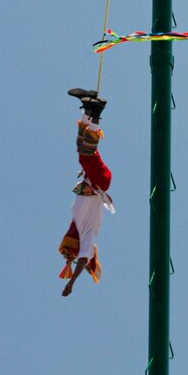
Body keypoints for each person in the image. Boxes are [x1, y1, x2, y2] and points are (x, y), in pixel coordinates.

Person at [59, 89, 115, 297]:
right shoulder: (87, 235)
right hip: (101, 183)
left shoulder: (75, 219)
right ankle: (96, 110)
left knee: (82, 150)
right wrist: (72, 282)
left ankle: (89, 108)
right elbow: (83, 259)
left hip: (94, 179)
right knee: (85, 154)